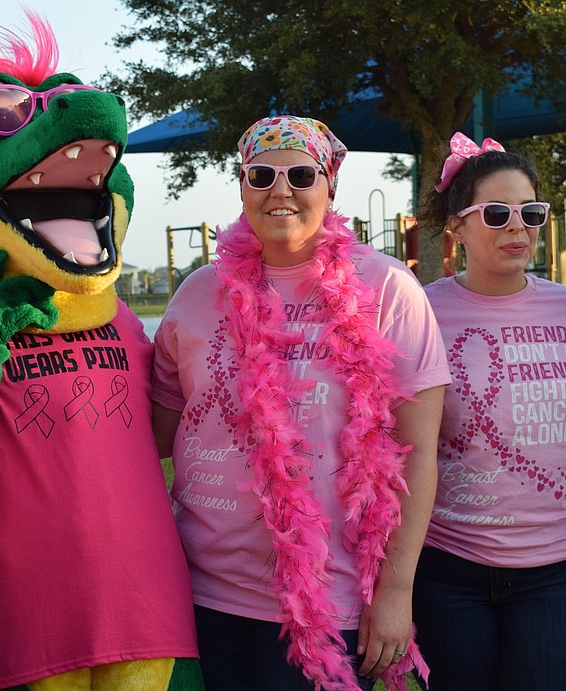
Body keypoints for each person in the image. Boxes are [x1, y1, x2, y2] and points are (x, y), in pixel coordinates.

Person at [151, 115, 451, 691]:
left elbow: (418, 452)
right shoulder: (196, 293)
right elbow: (158, 432)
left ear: (330, 185)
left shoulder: (386, 289)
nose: (280, 189)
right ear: (241, 187)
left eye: (301, 174)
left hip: (331, 598)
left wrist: (394, 591)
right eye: (261, 174)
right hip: (202, 592)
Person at [412, 132, 566, 691]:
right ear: (456, 225)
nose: (517, 226)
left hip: (564, 570)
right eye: (496, 213)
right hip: (448, 568)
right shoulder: (419, 312)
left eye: (531, 212)